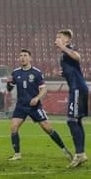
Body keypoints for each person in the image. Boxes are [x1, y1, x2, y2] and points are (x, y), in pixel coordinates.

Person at [6, 49, 72, 162]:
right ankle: (17, 154)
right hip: (21, 106)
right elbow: (9, 89)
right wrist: (8, 82)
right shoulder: (15, 73)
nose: (22, 58)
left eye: (25, 55)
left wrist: (37, 98)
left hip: (34, 106)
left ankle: (65, 150)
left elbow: (43, 89)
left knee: (47, 128)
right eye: (21, 55)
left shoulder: (36, 73)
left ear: (30, 58)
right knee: (13, 127)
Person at [54, 29, 88, 168]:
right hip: (77, 88)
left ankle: (79, 154)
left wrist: (63, 47)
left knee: (71, 120)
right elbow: (72, 70)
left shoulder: (69, 48)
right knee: (77, 121)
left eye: (59, 37)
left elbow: (78, 57)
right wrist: (61, 74)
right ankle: (81, 154)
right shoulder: (64, 53)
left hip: (77, 88)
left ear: (67, 39)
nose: (56, 40)